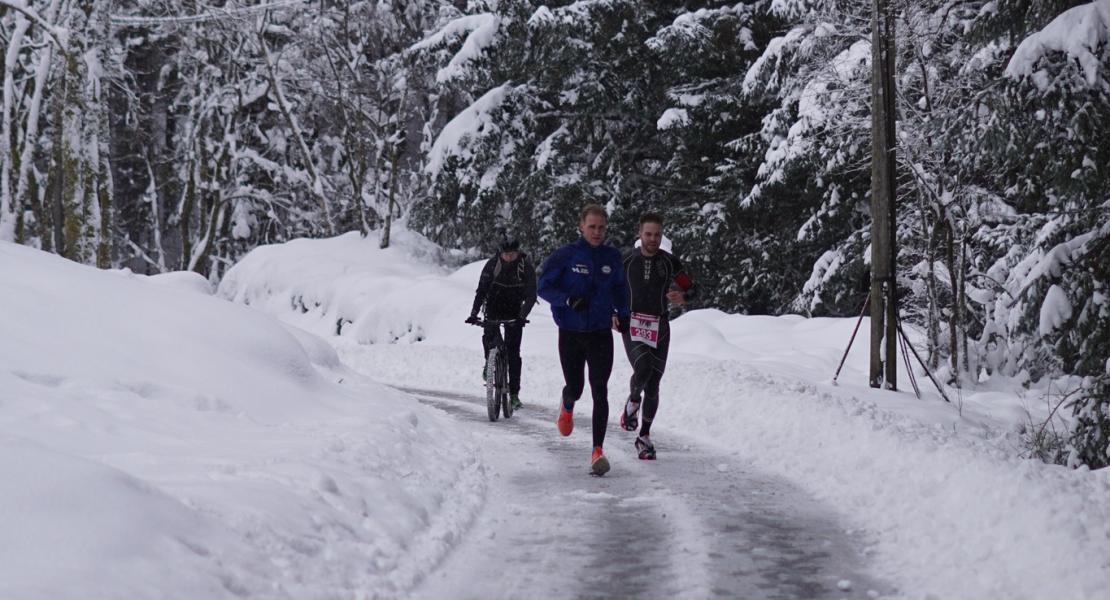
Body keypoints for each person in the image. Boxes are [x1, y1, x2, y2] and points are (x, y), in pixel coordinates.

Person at [537, 204, 630, 476]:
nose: (597, 232)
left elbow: (620, 289)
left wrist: (623, 314)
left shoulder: (611, 257)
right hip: (571, 333)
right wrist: (567, 300)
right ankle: (567, 405)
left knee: (600, 390)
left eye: (601, 227)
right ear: (581, 226)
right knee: (576, 387)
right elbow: (544, 286)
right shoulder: (565, 255)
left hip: (601, 332)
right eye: (592, 227)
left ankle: (597, 451)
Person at [619, 212, 697, 460]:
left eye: (657, 235)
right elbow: (610, 290)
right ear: (640, 234)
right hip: (633, 324)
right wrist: (613, 313)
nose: (652, 239)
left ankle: (644, 436)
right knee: (642, 368)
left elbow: (693, 288)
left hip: (661, 327)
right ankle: (632, 402)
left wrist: (683, 297)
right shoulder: (627, 261)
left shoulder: (669, 262)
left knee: (653, 384)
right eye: (648, 234)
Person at [466, 234, 537, 409]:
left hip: (515, 312)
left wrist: (522, 316)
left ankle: (513, 394)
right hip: (493, 308)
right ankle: (489, 363)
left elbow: (530, 296)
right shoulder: (492, 265)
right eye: (506, 254)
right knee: (489, 337)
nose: (509, 257)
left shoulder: (525, 268)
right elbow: (481, 290)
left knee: (513, 353)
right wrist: (474, 313)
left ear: (518, 253)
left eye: (512, 254)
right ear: (501, 253)